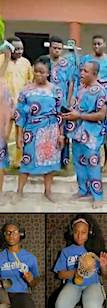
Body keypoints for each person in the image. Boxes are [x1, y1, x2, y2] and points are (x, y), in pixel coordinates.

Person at [11, 58, 64, 204]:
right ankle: (19, 191)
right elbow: (20, 115)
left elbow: (59, 113)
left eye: (42, 72)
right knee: (27, 161)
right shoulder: (26, 91)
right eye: (36, 71)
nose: (38, 75)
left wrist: (61, 134)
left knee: (50, 163)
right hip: (32, 131)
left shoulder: (56, 90)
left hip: (51, 131)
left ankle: (48, 191)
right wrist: (19, 135)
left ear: (48, 73)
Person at [63, 61, 107, 209]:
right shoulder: (81, 89)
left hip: (92, 135)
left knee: (93, 164)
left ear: (94, 74)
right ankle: (83, 191)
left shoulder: (101, 91)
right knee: (79, 163)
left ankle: (97, 196)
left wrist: (79, 116)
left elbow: (101, 115)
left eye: (86, 71)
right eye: (82, 70)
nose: (82, 73)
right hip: (77, 133)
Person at [54, 215, 107, 308]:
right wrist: (74, 273)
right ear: (72, 233)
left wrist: (103, 266)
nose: (79, 236)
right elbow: (60, 274)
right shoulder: (66, 251)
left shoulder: (95, 250)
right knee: (60, 306)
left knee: (93, 307)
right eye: (76, 232)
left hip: (92, 285)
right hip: (72, 285)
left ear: (89, 233)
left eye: (83, 232)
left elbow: (105, 275)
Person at [41, 36, 76, 168]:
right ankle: (47, 158)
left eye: (59, 49)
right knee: (47, 130)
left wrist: (69, 101)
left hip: (62, 102)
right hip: (46, 101)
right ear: (49, 48)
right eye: (54, 48)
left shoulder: (67, 64)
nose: (56, 51)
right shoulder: (44, 61)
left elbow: (71, 82)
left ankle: (64, 161)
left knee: (64, 132)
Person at [0, 36, 34, 168]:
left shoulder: (25, 63)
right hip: (5, 104)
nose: (19, 52)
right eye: (16, 49)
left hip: (20, 104)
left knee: (20, 136)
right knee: (4, 135)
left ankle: (18, 161)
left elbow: (30, 81)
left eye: (21, 49)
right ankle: (1, 160)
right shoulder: (1, 60)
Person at [79, 35, 107, 169]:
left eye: (99, 44)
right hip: (90, 99)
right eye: (94, 44)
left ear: (104, 44)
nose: (97, 46)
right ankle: (93, 159)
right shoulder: (86, 59)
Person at [0, 44, 16, 206]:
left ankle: (0, 192)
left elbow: (11, 114)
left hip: (0, 132)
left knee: (1, 164)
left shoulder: (2, 84)